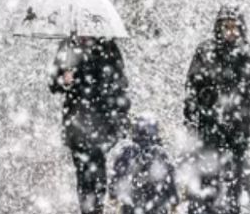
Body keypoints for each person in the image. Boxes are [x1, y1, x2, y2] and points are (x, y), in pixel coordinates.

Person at [183, 5, 250, 214]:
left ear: (241, 29)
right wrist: (190, 121)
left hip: (237, 130)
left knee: (233, 186)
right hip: (209, 128)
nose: (230, 32)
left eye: (234, 27)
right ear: (218, 28)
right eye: (226, 27)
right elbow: (191, 88)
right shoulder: (206, 52)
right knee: (207, 185)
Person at [49, 34, 131, 214]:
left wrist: (121, 118)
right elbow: (53, 82)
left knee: (96, 170)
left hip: (102, 122)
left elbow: (121, 85)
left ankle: (96, 209)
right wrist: (64, 79)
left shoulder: (108, 47)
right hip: (77, 124)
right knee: (83, 174)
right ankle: (89, 210)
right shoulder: (68, 46)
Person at [108, 115, 179, 214]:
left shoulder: (126, 151)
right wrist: (174, 200)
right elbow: (169, 179)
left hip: (131, 204)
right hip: (157, 204)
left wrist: (113, 195)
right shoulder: (161, 153)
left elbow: (117, 174)